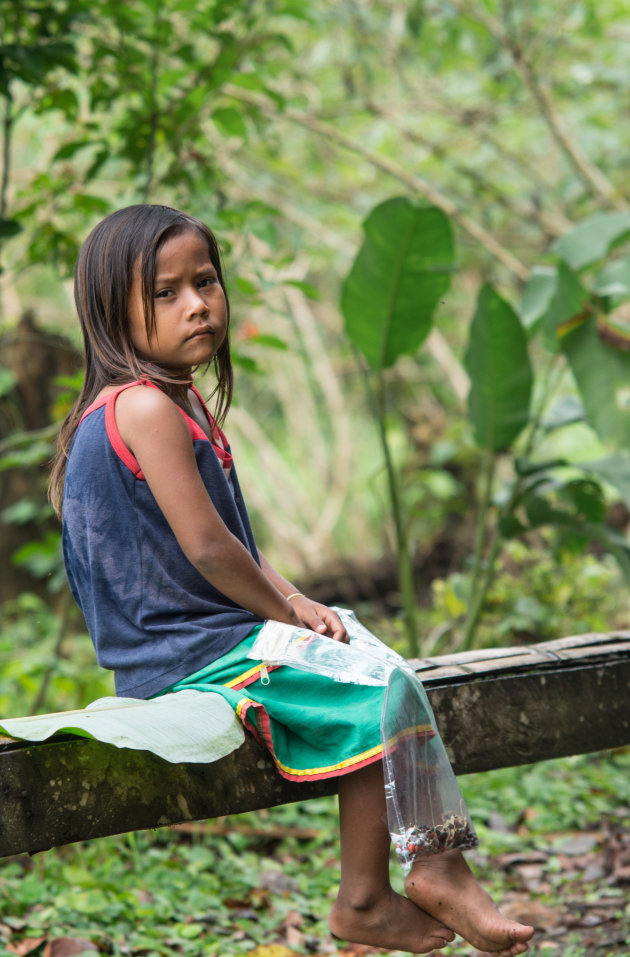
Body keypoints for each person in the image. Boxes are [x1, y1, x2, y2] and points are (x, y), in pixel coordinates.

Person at [49, 204, 534, 956]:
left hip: (215, 637)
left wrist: (299, 602)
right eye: (165, 293)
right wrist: (285, 610)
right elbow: (210, 551)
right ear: (112, 313)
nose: (199, 304)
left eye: (205, 281)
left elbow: (232, 541)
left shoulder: (179, 400)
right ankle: (372, 895)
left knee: (370, 650)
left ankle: (438, 863)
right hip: (185, 658)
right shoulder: (141, 406)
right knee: (375, 688)